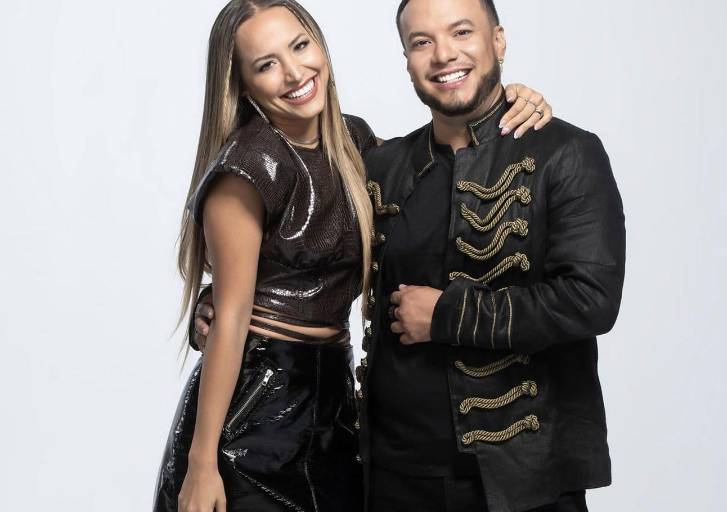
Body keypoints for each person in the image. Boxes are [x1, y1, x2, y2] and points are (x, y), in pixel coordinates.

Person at [158, 0, 552, 511]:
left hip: (333, 404)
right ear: (243, 85)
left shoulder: (354, 141)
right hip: (252, 408)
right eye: (267, 64)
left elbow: (433, 167)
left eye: (300, 46)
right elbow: (230, 322)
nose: (295, 73)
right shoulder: (248, 166)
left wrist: (510, 99)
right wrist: (202, 463)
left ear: (320, 47)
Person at [362, 0, 625, 510]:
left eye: (461, 32)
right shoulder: (382, 165)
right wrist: (220, 303)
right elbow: (313, 251)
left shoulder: (565, 153)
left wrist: (447, 314)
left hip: (521, 481)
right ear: (407, 61)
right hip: (394, 477)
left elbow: (590, 299)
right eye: (421, 42)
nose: (443, 54)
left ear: (498, 41)